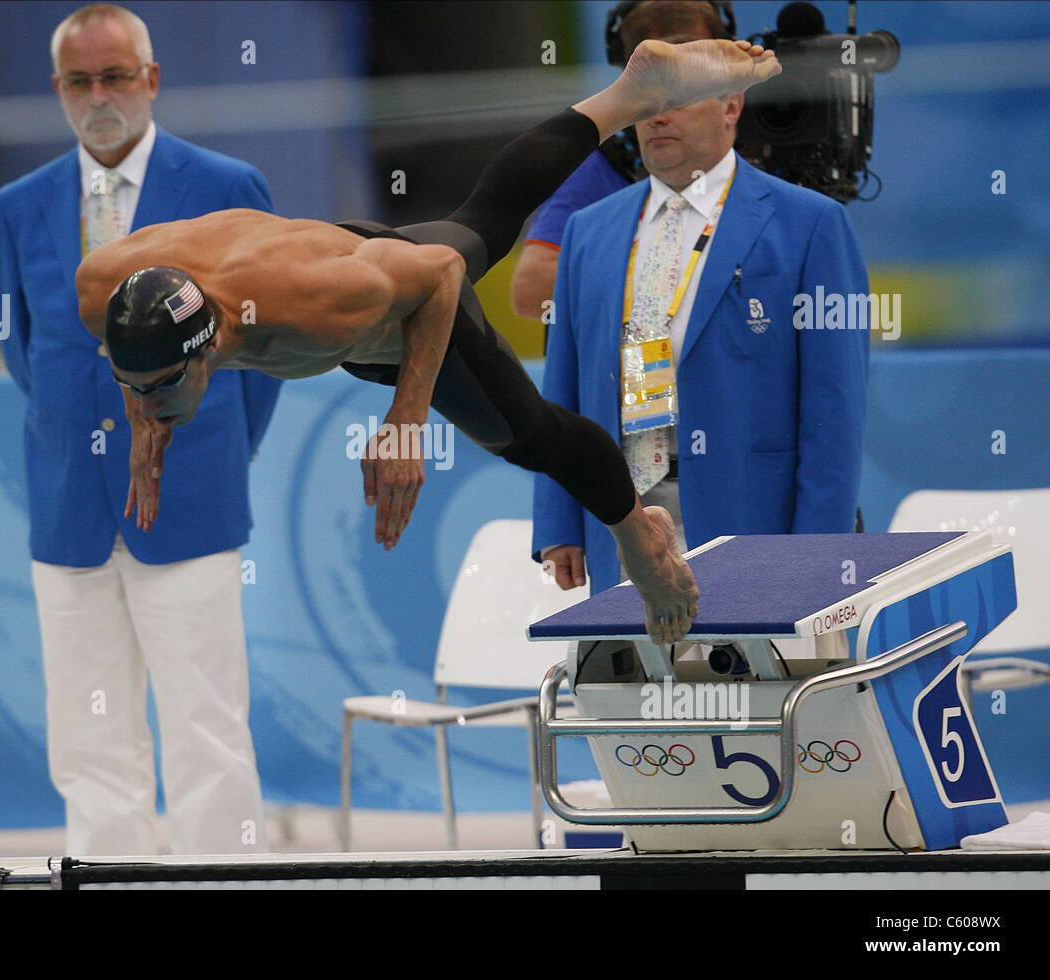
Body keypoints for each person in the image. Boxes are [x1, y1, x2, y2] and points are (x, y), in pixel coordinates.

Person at [75, 38, 782, 646]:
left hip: (403, 308)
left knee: (533, 435)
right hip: (356, 258)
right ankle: (633, 92)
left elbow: (439, 276)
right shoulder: (102, 295)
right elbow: (143, 350)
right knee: (484, 217)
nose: (147, 396)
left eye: (164, 383)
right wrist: (145, 413)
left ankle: (640, 535)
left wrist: (406, 424)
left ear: (211, 347)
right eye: (132, 380)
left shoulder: (313, 307)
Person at [0, 3, 281, 855]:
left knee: (206, 726)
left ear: (151, 79)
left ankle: (219, 882)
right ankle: (105, 879)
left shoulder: (226, 187)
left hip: (189, 496)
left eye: (116, 76)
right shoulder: (18, 205)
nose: (100, 95)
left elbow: (261, 354)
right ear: (58, 91)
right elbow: (24, 349)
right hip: (69, 507)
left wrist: (214, 447)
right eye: (81, 81)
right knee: (87, 736)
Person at [532, 8, 870, 612]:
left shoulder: (812, 225)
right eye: (646, 100)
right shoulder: (589, 231)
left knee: (754, 700)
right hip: (625, 522)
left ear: (731, 106)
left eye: (679, 98)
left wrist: (818, 550)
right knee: (637, 702)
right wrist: (559, 520)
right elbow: (562, 389)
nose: (657, 115)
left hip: (753, 518)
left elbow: (834, 407)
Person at [511, 2, 733, 323]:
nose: (668, 109)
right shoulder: (603, 160)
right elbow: (532, 292)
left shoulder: (776, 146)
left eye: (693, 74)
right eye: (659, 78)